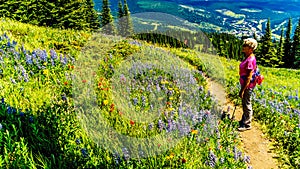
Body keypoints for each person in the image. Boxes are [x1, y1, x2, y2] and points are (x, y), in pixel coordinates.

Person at [238, 38, 258, 131]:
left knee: (247, 103)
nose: (243, 47)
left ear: (251, 48)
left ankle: (247, 124)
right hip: (246, 85)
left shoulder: (250, 59)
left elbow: (249, 77)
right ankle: (244, 120)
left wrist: (242, 89)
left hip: (247, 86)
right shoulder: (248, 57)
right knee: (245, 103)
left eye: (245, 46)